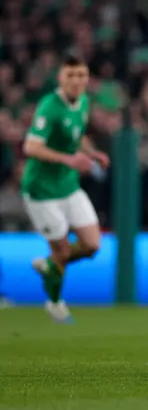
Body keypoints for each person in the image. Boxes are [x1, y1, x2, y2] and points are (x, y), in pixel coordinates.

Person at [21, 55, 110, 323]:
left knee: (93, 245)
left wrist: (93, 153)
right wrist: (68, 159)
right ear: (61, 78)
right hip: (42, 192)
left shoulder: (83, 101)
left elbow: (76, 134)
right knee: (60, 250)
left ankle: (49, 265)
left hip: (68, 186)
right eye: (70, 75)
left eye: (81, 75)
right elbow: (30, 146)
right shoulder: (49, 106)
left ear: (87, 79)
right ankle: (55, 302)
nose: (76, 81)